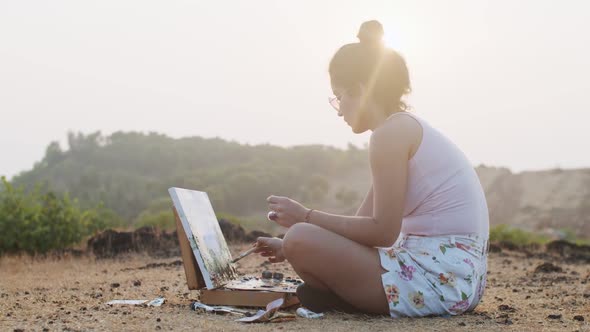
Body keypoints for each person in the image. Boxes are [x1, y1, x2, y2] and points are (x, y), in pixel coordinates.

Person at [255, 20, 489, 318]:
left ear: (362, 89)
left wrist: (305, 218)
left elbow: (382, 233)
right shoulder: (402, 129)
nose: (339, 109)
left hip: (438, 281)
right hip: (457, 282)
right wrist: (287, 246)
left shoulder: (389, 135)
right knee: (298, 239)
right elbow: (362, 225)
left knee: (301, 235)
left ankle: (335, 298)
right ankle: (334, 296)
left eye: (339, 96)